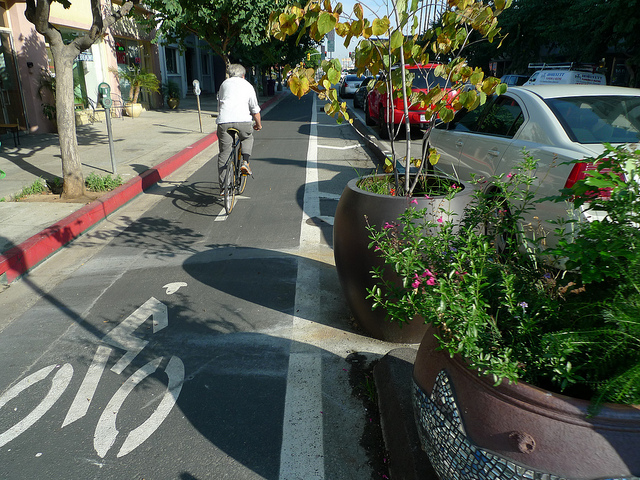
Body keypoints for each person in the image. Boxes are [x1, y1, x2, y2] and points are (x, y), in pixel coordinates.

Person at [216, 64, 262, 188]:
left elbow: (220, 104)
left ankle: (224, 187)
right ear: (243, 75)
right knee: (247, 137)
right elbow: (255, 109)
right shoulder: (247, 85)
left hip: (224, 121)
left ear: (230, 74)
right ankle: (245, 162)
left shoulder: (224, 84)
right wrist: (258, 124)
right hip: (243, 121)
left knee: (224, 154)